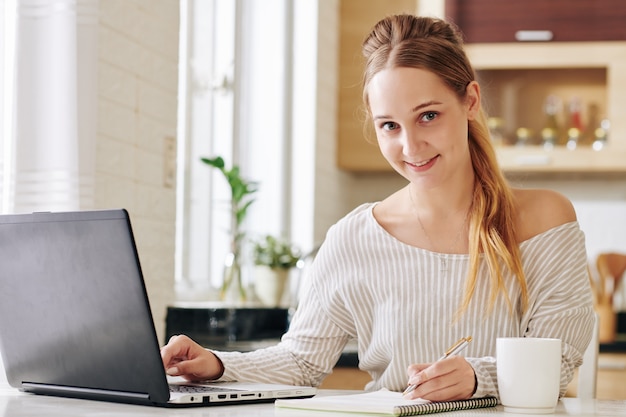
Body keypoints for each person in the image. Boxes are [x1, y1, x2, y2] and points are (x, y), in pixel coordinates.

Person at [161, 14, 595, 402]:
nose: (410, 146)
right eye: (390, 125)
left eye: (428, 116)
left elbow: (556, 363)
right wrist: (218, 365)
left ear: (471, 101)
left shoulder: (543, 219)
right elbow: (302, 363)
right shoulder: (354, 237)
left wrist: (478, 376)